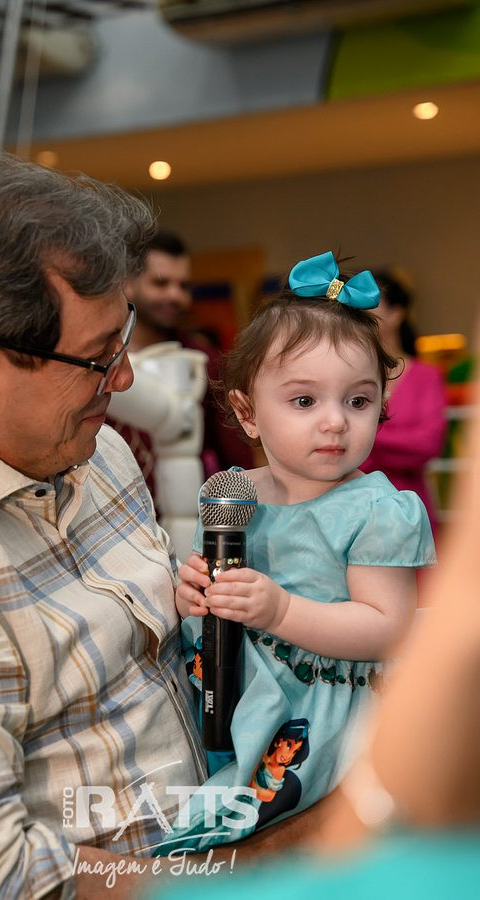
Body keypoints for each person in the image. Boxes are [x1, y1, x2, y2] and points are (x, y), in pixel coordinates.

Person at [0, 153, 324, 899]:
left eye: (121, 341)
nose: (123, 378)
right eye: (97, 358)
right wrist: (248, 871)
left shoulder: (97, 454)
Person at [159, 251, 435, 854]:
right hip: (230, 688)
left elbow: (386, 627)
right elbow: (219, 591)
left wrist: (281, 611)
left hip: (325, 708)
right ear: (247, 413)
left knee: (279, 841)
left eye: (357, 401)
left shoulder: (377, 509)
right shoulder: (230, 493)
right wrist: (195, 594)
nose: (335, 422)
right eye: (305, 401)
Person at [109, 230, 253, 500]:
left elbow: (236, 461)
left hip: (183, 513)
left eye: (183, 286)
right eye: (161, 283)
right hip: (107, 510)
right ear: (128, 283)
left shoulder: (203, 362)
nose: (174, 295)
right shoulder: (101, 359)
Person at [360, 269, 447, 537]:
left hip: (411, 506)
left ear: (396, 314)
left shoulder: (426, 376)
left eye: (371, 303)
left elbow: (429, 443)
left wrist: (366, 438)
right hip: (356, 507)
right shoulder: (349, 376)